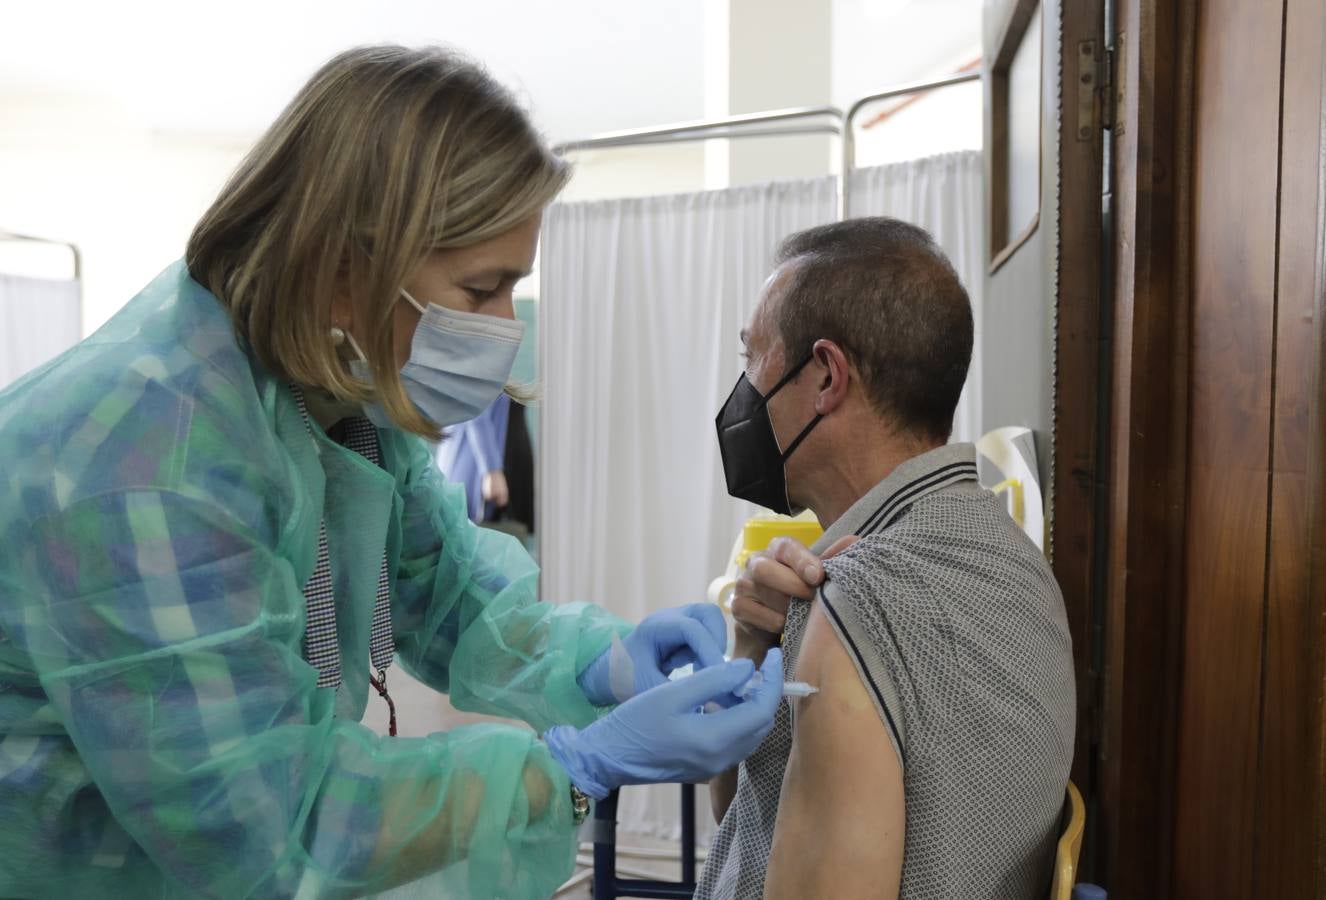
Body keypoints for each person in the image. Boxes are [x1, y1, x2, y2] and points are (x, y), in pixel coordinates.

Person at [0, 46, 786, 899]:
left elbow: (450, 594)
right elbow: (276, 829)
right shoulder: (148, 462)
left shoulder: (339, 396)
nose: (503, 329)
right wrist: (575, 764)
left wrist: (605, 663)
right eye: (482, 289)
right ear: (344, 270)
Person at [701, 218, 1076, 899]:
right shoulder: (1011, 558)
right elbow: (746, 822)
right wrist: (751, 650)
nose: (743, 394)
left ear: (825, 377)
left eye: (752, 358)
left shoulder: (860, 601)